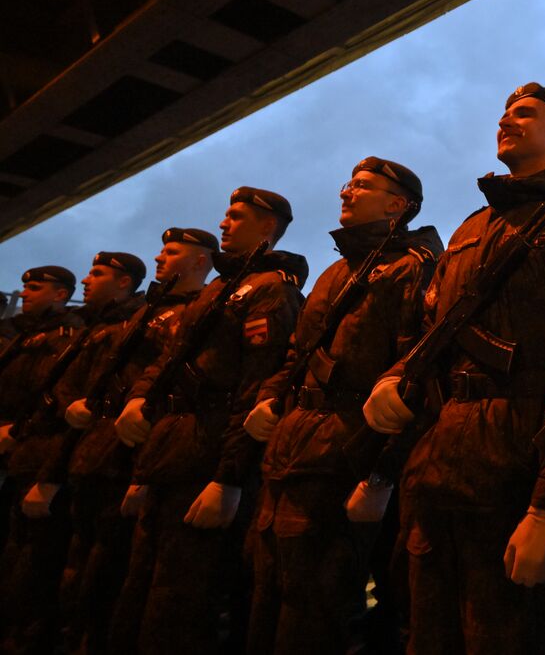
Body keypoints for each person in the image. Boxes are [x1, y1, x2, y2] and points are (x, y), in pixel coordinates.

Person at [362, 84, 545, 653]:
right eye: (505, 112)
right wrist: (395, 381)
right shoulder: (470, 231)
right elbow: (435, 337)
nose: (507, 120)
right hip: (443, 464)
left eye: (525, 113)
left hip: (517, 463)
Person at [243, 158, 441, 655]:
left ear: (397, 205)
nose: (346, 191)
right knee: (267, 592)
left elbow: (414, 375)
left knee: (319, 605)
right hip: (294, 445)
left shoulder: (411, 266)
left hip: (348, 450)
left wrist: (380, 475)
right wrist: (271, 398)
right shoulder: (337, 270)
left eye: (363, 186)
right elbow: (298, 353)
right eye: (349, 183)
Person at [111, 189, 307, 653]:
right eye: (225, 216)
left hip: (209, 450)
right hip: (171, 447)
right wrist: (138, 401)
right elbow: (169, 361)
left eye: (236, 217)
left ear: (267, 227)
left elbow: (255, 386)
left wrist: (229, 478)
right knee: (138, 588)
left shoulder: (270, 290)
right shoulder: (217, 290)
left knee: (180, 601)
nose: (224, 224)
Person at [57, 229, 217, 654]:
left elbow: (168, 397)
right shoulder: (144, 312)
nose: (161, 258)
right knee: (82, 573)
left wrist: (144, 471)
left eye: (172, 251)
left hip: (135, 458)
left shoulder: (192, 314)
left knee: (113, 579)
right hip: (99, 452)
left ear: (201, 262)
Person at [0, 264, 84, 651]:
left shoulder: (64, 336)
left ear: (60, 295)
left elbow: (51, 397)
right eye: (26, 287)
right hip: (17, 450)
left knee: (31, 559)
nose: (27, 292)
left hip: (33, 452)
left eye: (36, 287)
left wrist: (15, 431)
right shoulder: (19, 334)